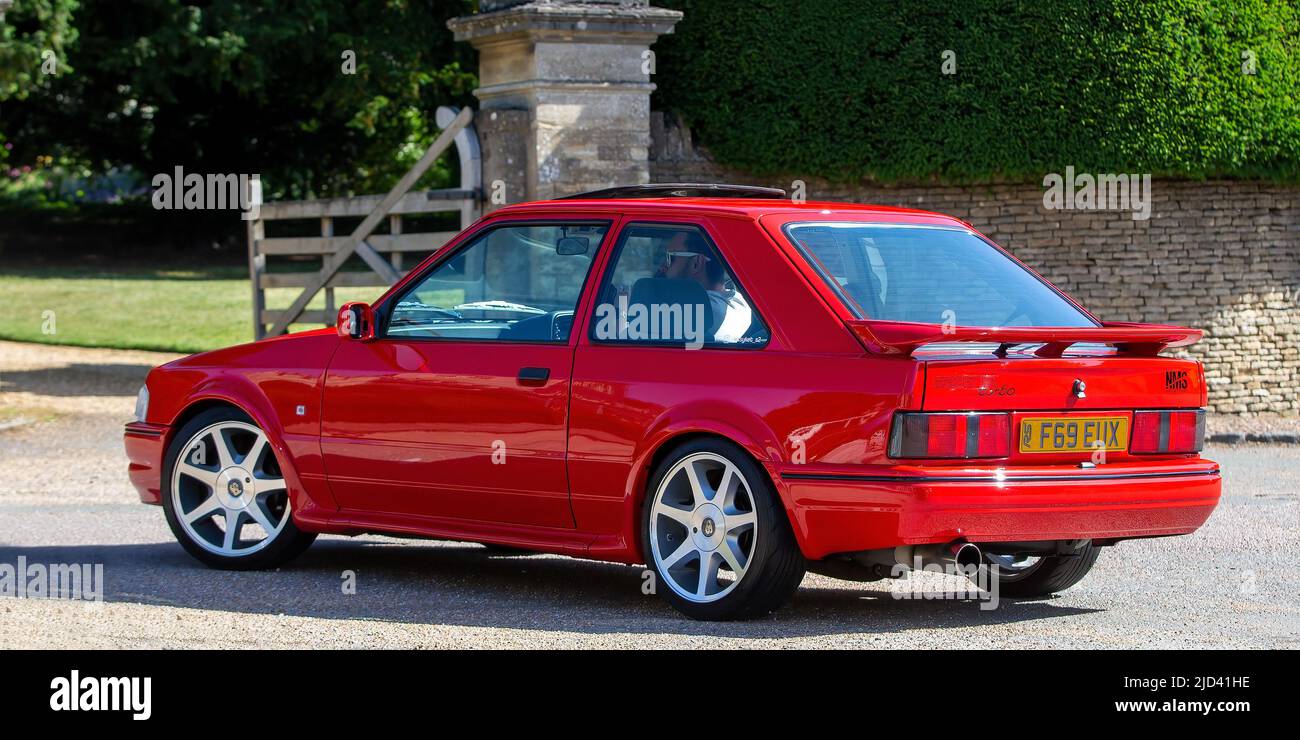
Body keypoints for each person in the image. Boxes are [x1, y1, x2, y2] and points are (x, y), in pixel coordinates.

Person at [654, 231, 753, 343]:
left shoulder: (700, 312)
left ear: (696, 263)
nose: (662, 267)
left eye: (670, 258)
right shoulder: (738, 302)